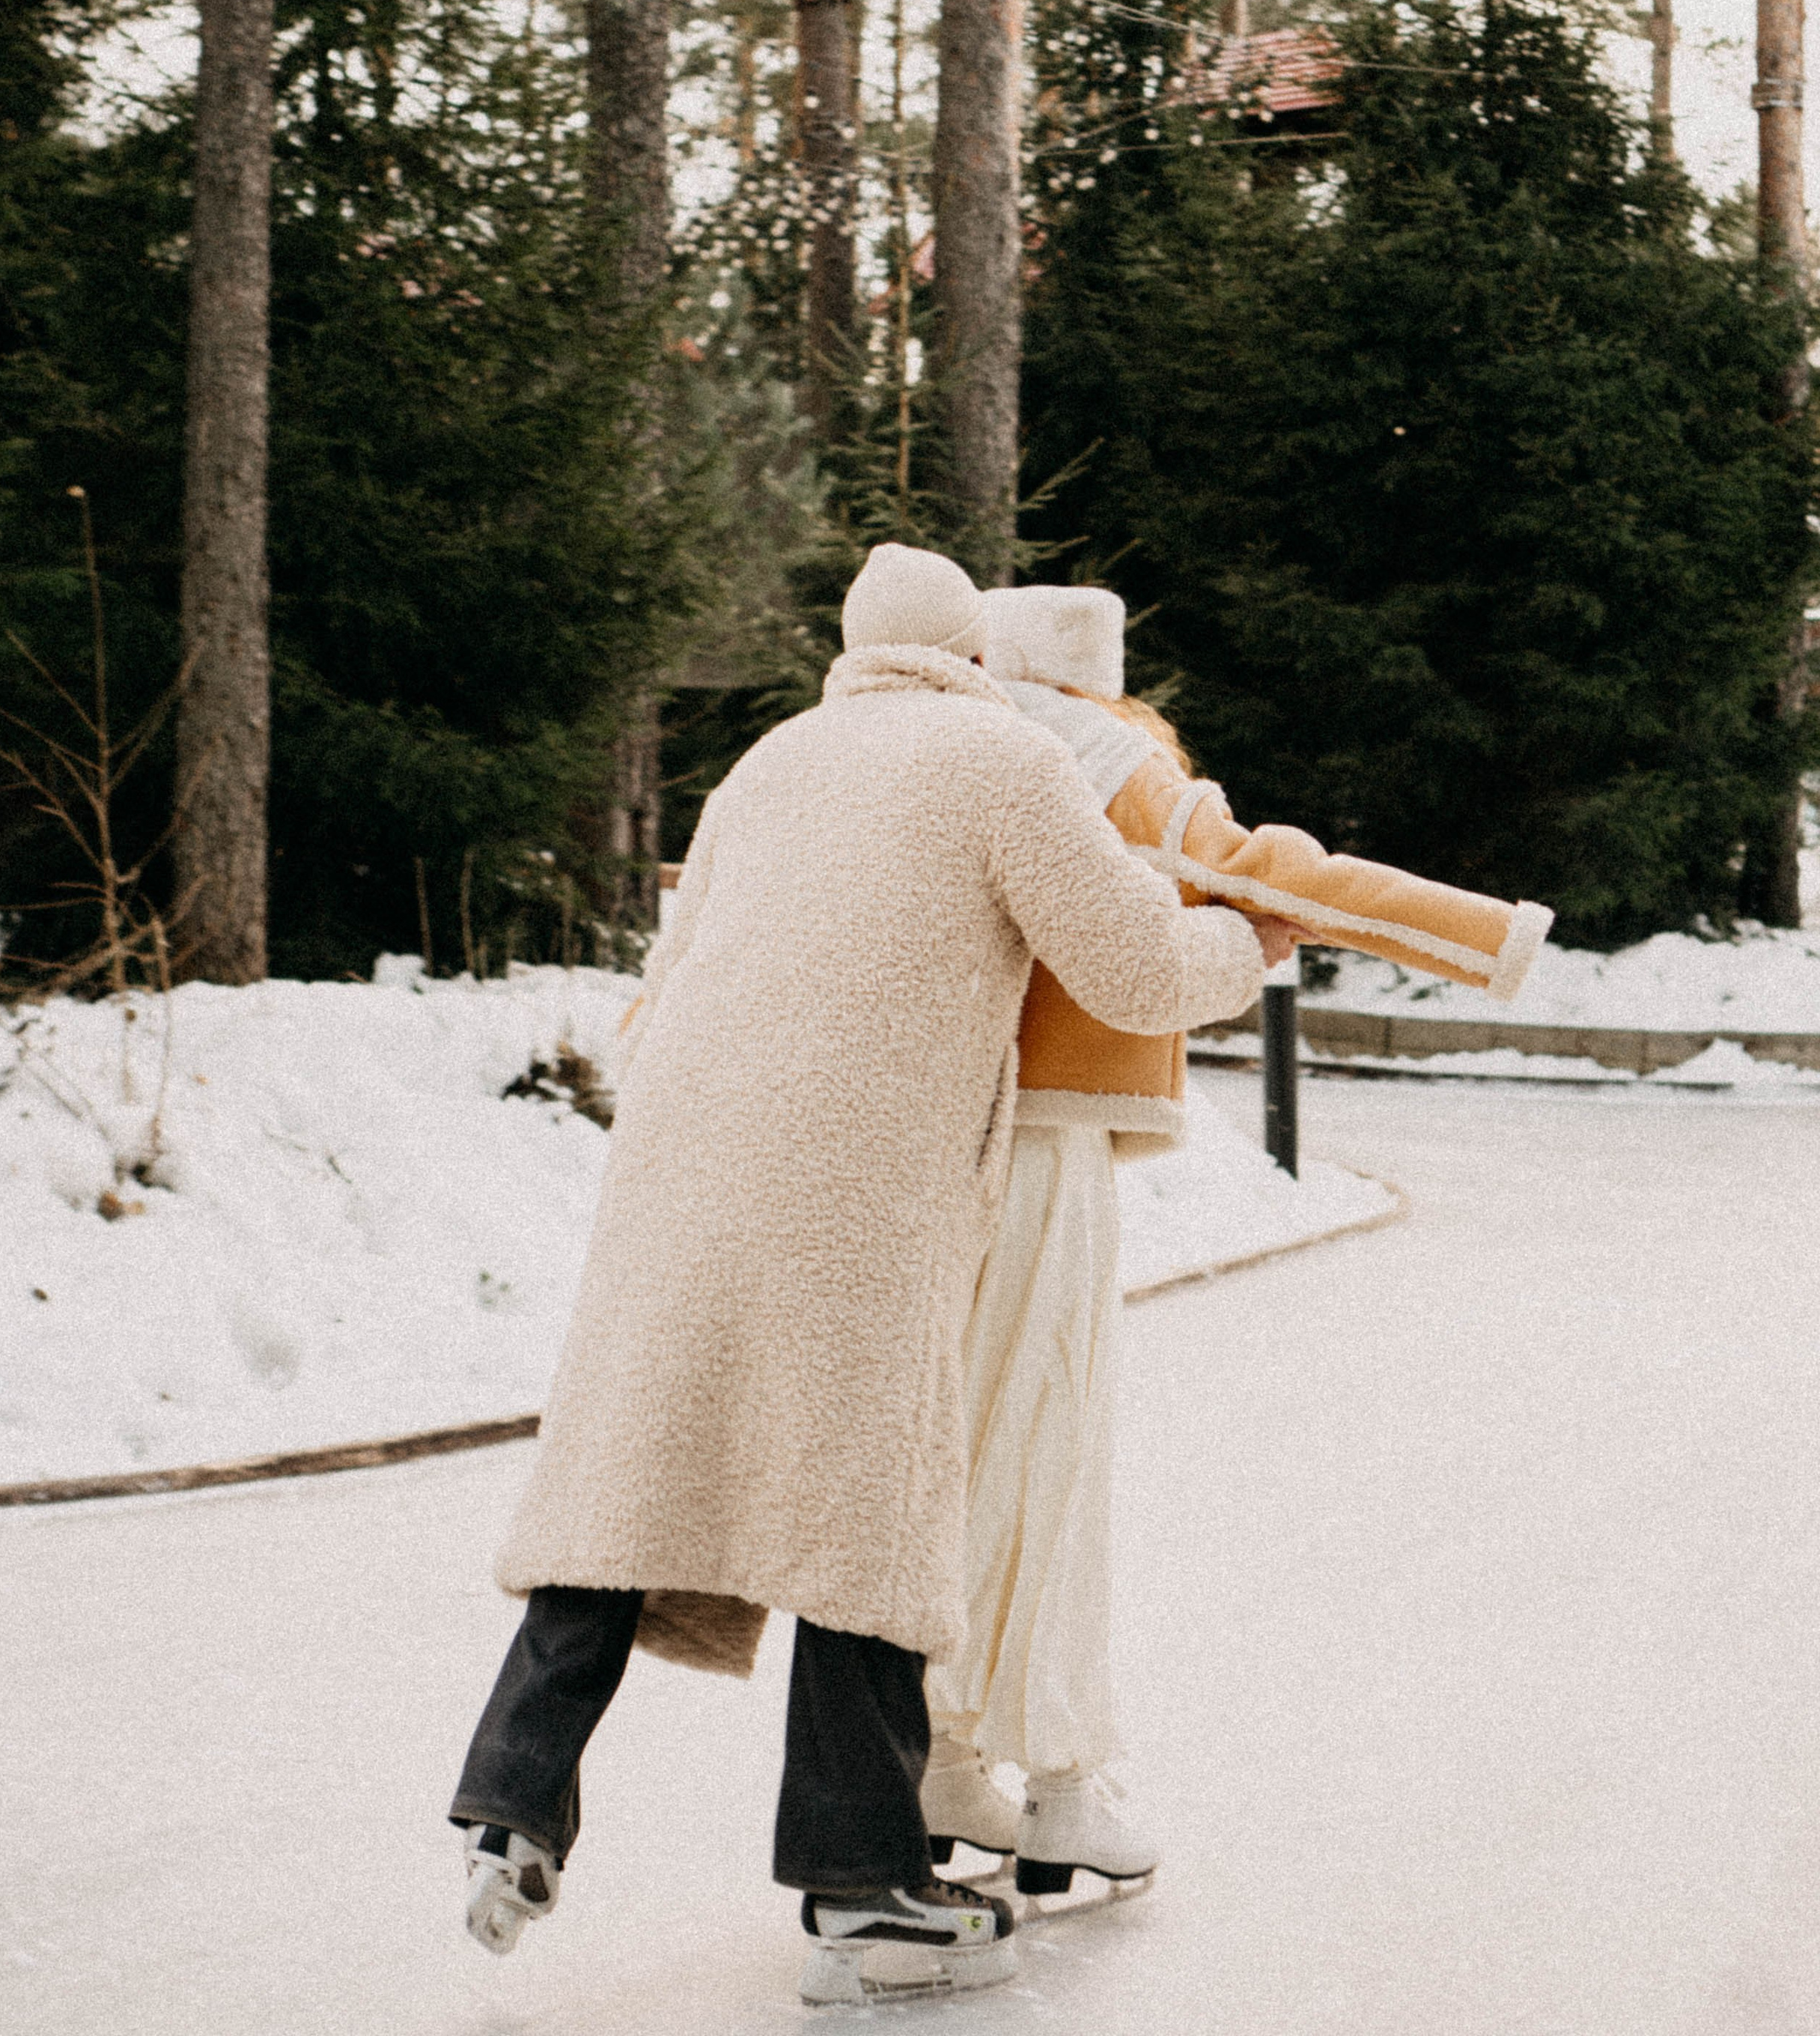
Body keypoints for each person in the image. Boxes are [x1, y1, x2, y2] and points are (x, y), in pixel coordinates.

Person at [447, 544, 1288, 2008]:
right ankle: (863, 1896)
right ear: (972, 656)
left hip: (680, 1162)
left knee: (626, 1484)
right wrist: (1245, 942)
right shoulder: (1002, 759)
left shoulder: (766, 764)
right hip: (857, 1186)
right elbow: (1132, 968)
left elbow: (674, 969)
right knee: (869, 1514)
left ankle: (513, 1801)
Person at [922, 583, 1553, 1903]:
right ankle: (1063, 1782)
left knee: (956, 1452)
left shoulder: (936, 750)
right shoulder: (1099, 754)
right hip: (1045, 1141)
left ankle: (943, 1754)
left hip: (927, 1138)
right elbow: (1269, 872)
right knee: (1049, 1447)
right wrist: (1487, 936)